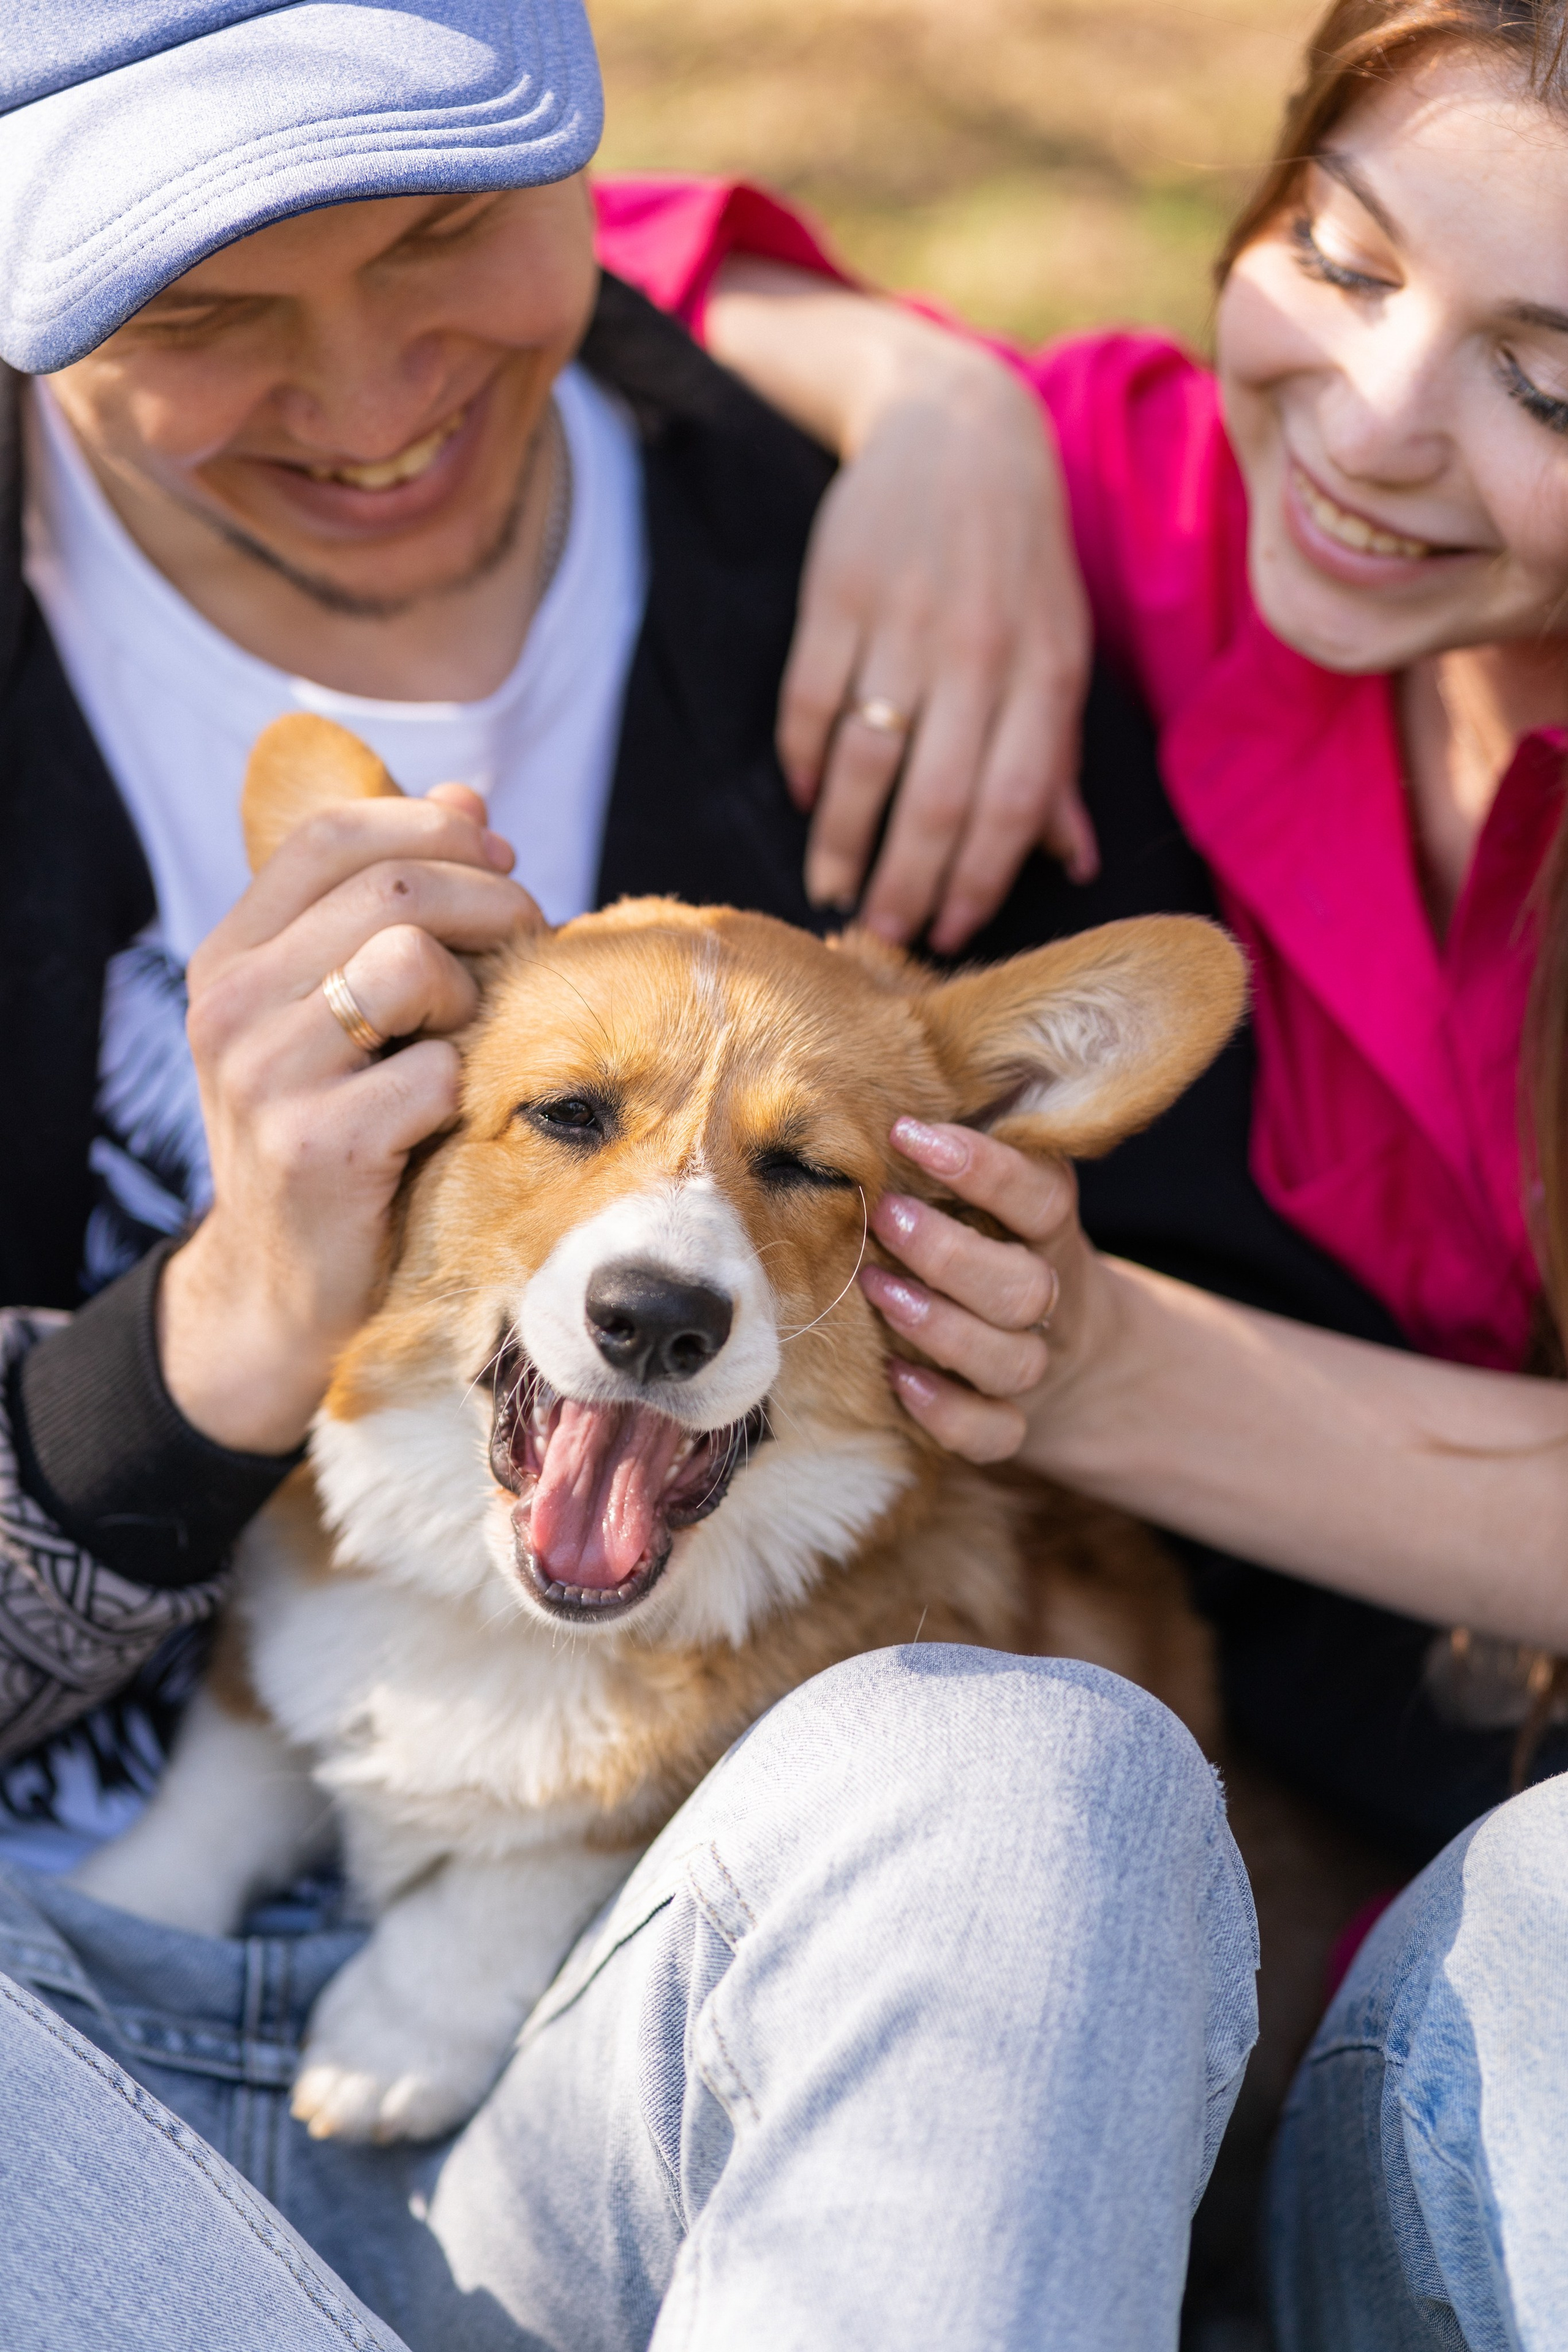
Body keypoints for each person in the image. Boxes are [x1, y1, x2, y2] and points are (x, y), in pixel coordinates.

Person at [0, 6, 1257, 2348]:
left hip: (657, 2073)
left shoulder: (892, 562)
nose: (370, 398)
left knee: (1031, 1777)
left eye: (446, 229)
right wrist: (210, 1346)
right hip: (42, 2061)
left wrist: (935, 404)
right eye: (199, 308)